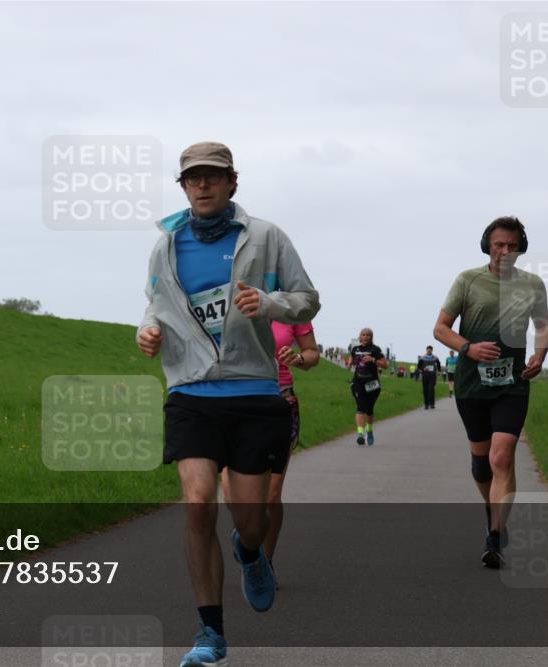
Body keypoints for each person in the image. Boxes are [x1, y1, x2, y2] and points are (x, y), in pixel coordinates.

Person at [137, 141, 320, 667]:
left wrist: (268, 303)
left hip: (255, 392)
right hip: (191, 392)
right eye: (193, 177)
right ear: (183, 186)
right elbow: (156, 304)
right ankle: (210, 633)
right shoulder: (166, 245)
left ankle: (249, 551)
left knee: (251, 521)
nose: (202, 184)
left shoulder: (266, 236)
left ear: (232, 182)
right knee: (197, 504)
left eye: (213, 176)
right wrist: (147, 331)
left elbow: (307, 298)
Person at [433, 216, 548, 569]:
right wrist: (468, 348)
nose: (505, 251)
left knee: (502, 456)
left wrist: (540, 355)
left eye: (513, 246)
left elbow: (543, 326)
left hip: (513, 383)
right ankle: (492, 510)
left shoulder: (532, 284)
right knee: (482, 463)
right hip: (472, 383)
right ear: (488, 245)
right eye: (499, 244)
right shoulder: (468, 280)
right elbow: (440, 329)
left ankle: (495, 537)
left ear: (521, 248)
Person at [221, 320, 319, 588]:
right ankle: (247, 534)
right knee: (234, 498)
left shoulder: (289, 305)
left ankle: (264, 561)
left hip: (280, 400)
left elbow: (312, 354)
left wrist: (298, 358)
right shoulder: (231, 297)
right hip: (234, 401)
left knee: (271, 495)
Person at [346, 329, 388, 445]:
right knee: (360, 407)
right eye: (363, 335)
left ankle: (369, 430)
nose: (366, 337)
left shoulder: (375, 350)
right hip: (358, 382)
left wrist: (373, 359)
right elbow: (351, 357)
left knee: (369, 410)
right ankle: (360, 434)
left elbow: (385, 365)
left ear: (371, 337)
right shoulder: (355, 349)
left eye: (368, 335)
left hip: (372, 383)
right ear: (360, 337)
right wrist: (349, 364)